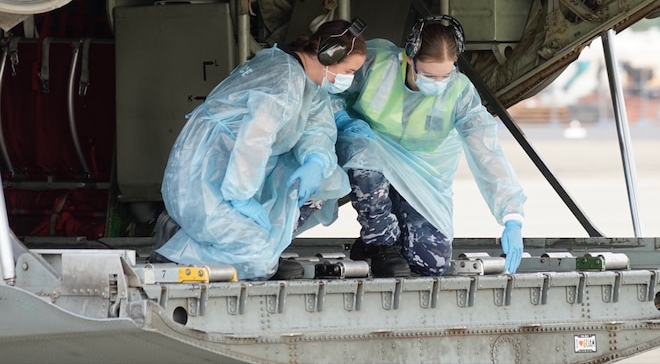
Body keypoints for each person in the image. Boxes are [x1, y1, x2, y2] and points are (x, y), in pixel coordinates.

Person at [152, 18, 367, 280]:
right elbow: (254, 140)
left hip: (240, 175)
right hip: (204, 177)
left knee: (328, 177)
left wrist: (315, 161)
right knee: (258, 262)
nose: (349, 80)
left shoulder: (309, 81)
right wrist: (240, 196)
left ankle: (251, 244)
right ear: (327, 55)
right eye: (348, 71)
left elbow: (317, 130)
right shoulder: (283, 80)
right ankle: (176, 243)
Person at [334, 15, 526, 278]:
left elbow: (486, 150)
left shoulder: (458, 92)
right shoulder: (377, 66)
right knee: (361, 152)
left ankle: (385, 239)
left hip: (422, 175)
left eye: (445, 75)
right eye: (428, 74)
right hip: (372, 161)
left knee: (431, 263)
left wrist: (511, 215)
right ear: (409, 58)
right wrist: (346, 122)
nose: (437, 84)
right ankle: (380, 242)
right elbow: (328, 94)